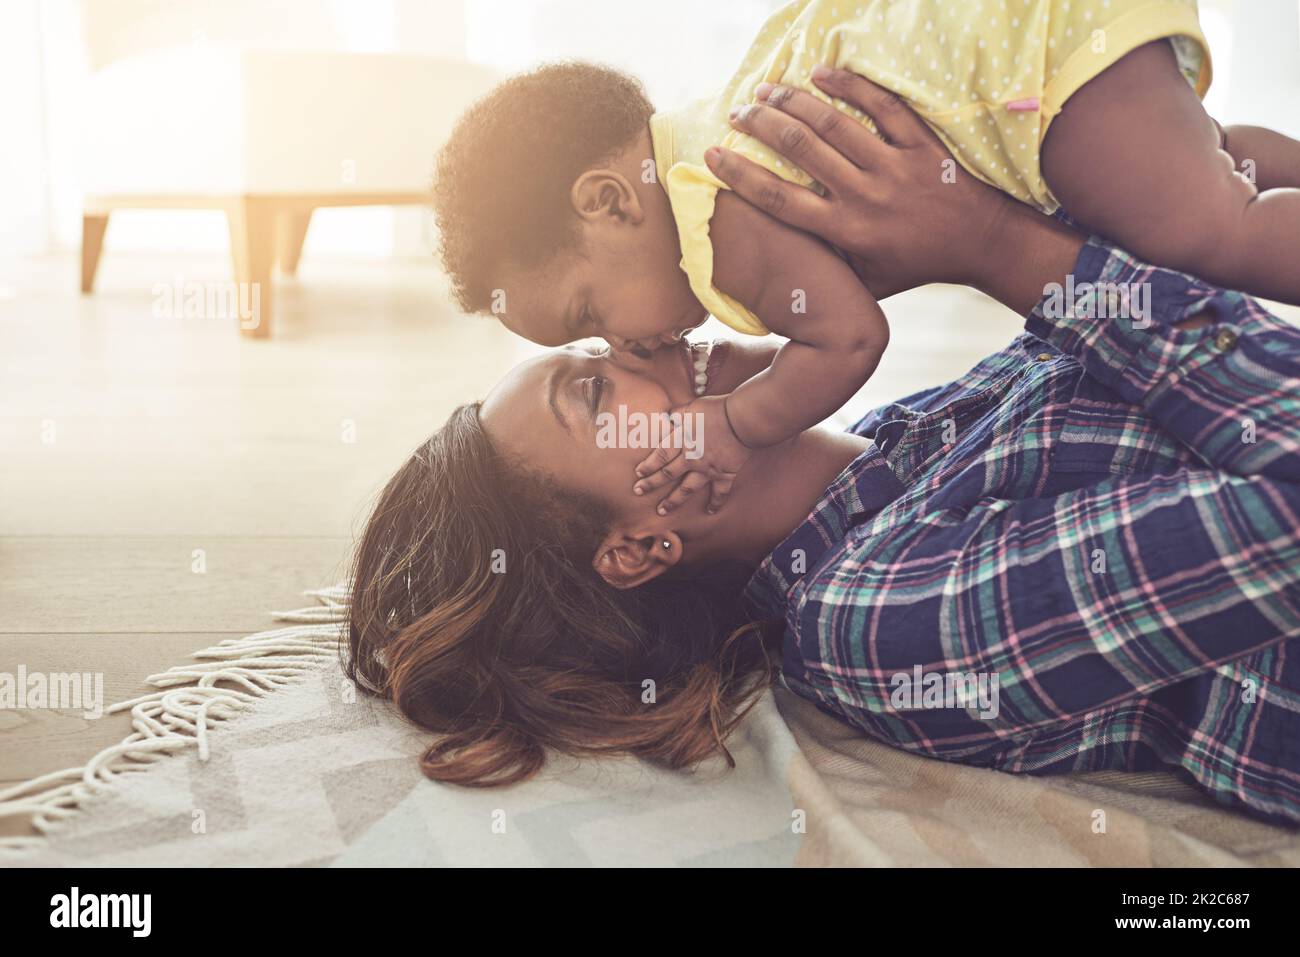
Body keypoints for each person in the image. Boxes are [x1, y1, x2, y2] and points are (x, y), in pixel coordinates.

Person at [350, 72, 1300, 824]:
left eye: (603, 339)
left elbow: (1156, 297)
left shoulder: (912, 436)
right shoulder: (876, 619)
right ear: (638, 546)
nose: (654, 340)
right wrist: (990, 247)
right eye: (594, 386)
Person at [430, 0, 1300, 513]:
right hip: (1025, 66)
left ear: (610, 202)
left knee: (1212, 233)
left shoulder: (719, 224)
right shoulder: (708, 135)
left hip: (1027, 65)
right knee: (1206, 167)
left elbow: (848, 339)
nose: (625, 348)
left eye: (589, 318)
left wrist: (737, 423)